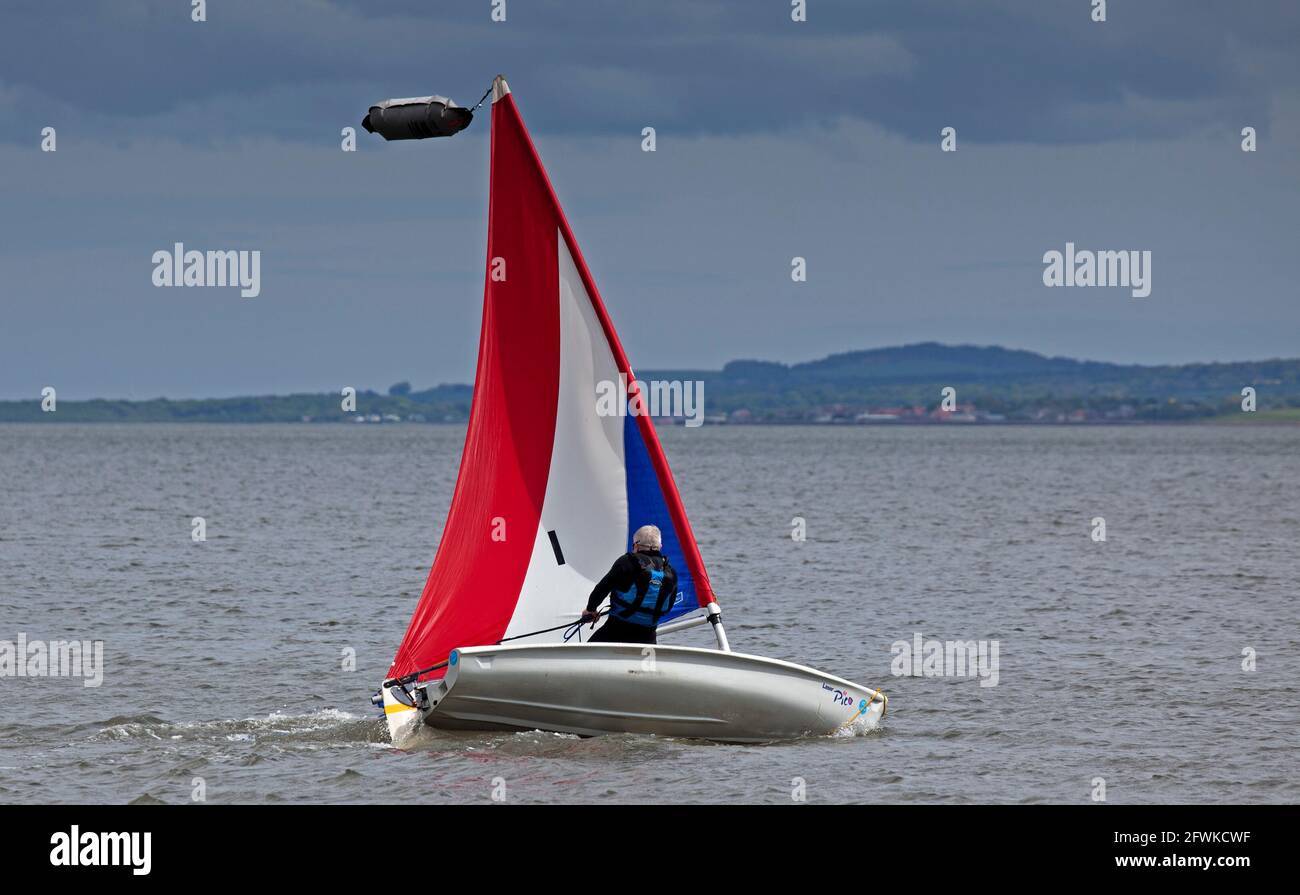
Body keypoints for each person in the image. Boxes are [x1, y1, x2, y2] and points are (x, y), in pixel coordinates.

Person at [581, 524, 678, 644]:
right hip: (648, 636)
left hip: (616, 629)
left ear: (636, 545)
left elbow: (603, 588)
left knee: (588, 651)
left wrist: (591, 610)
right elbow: (668, 606)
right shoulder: (670, 572)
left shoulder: (627, 562)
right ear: (660, 547)